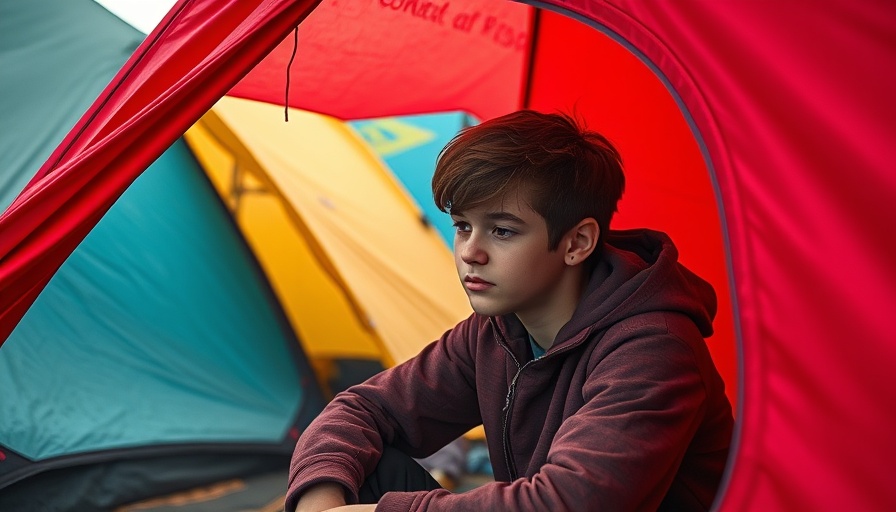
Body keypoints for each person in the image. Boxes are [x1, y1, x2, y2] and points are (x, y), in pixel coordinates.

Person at [286, 110, 734, 511]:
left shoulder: (656, 349)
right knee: (360, 467)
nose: (470, 253)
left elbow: (568, 502)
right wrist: (319, 505)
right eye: (463, 226)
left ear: (577, 243)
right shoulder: (494, 331)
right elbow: (364, 409)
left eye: (502, 231)